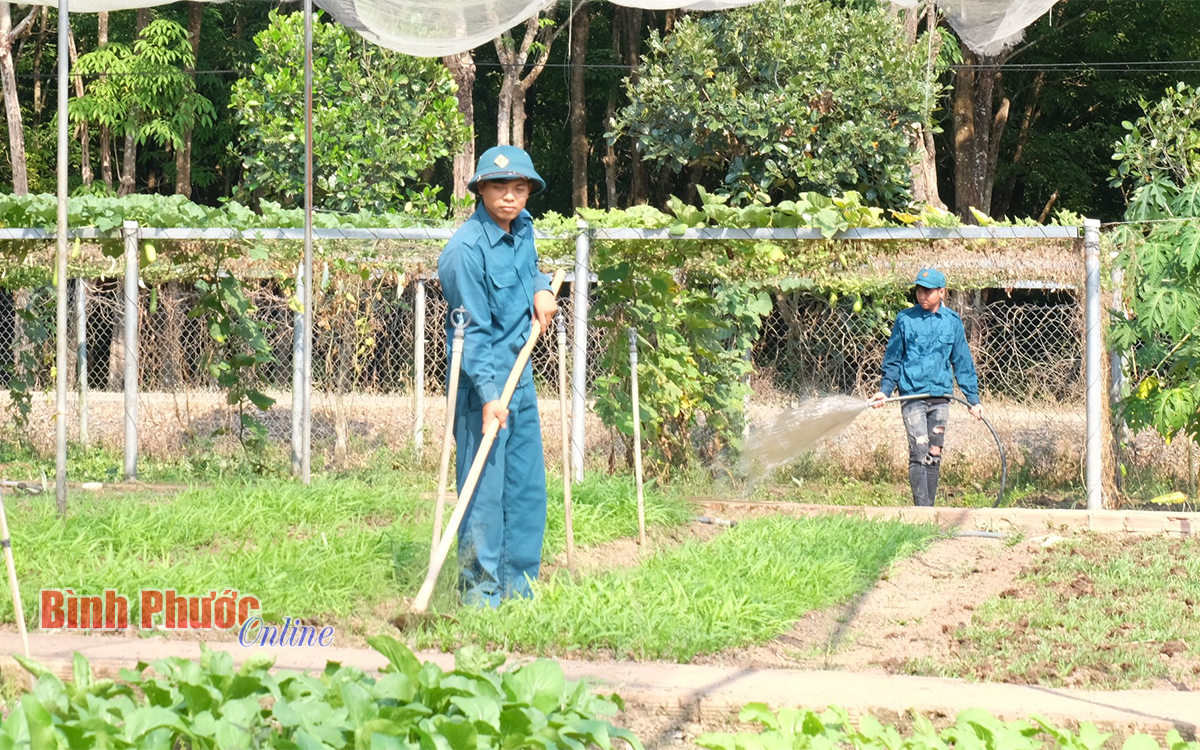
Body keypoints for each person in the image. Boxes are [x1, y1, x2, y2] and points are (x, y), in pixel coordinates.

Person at [437, 145, 559, 608]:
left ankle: (520, 592)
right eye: (499, 187)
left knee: (526, 490)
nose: (510, 196)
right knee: (483, 496)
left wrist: (542, 288)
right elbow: (472, 335)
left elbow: (529, 271)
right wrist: (490, 396)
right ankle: (480, 596)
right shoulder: (463, 252)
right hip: (481, 389)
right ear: (480, 190)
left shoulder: (523, 229)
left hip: (521, 380)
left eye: (519, 188)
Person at [867, 268, 983, 507]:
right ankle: (921, 511)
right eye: (920, 290)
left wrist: (973, 399)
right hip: (913, 396)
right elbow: (893, 359)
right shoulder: (905, 320)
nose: (922, 296)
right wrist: (884, 391)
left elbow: (962, 361)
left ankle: (928, 510)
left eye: (928, 291)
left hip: (940, 397)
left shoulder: (952, 322)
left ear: (942, 292)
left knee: (934, 451)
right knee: (919, 450)